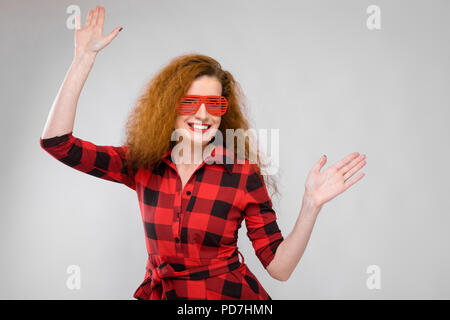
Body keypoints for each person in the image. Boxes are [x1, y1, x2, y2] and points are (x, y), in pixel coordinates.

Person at [40, 6, 367, 300]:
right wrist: (83, 60)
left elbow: (279, 268)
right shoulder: (142, 163)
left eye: (214, 104)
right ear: (169, 107)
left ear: (225, 111)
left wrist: (310, 206)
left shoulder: (241, 173)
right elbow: (58, 144)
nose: (203, 114)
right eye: (189, 102)